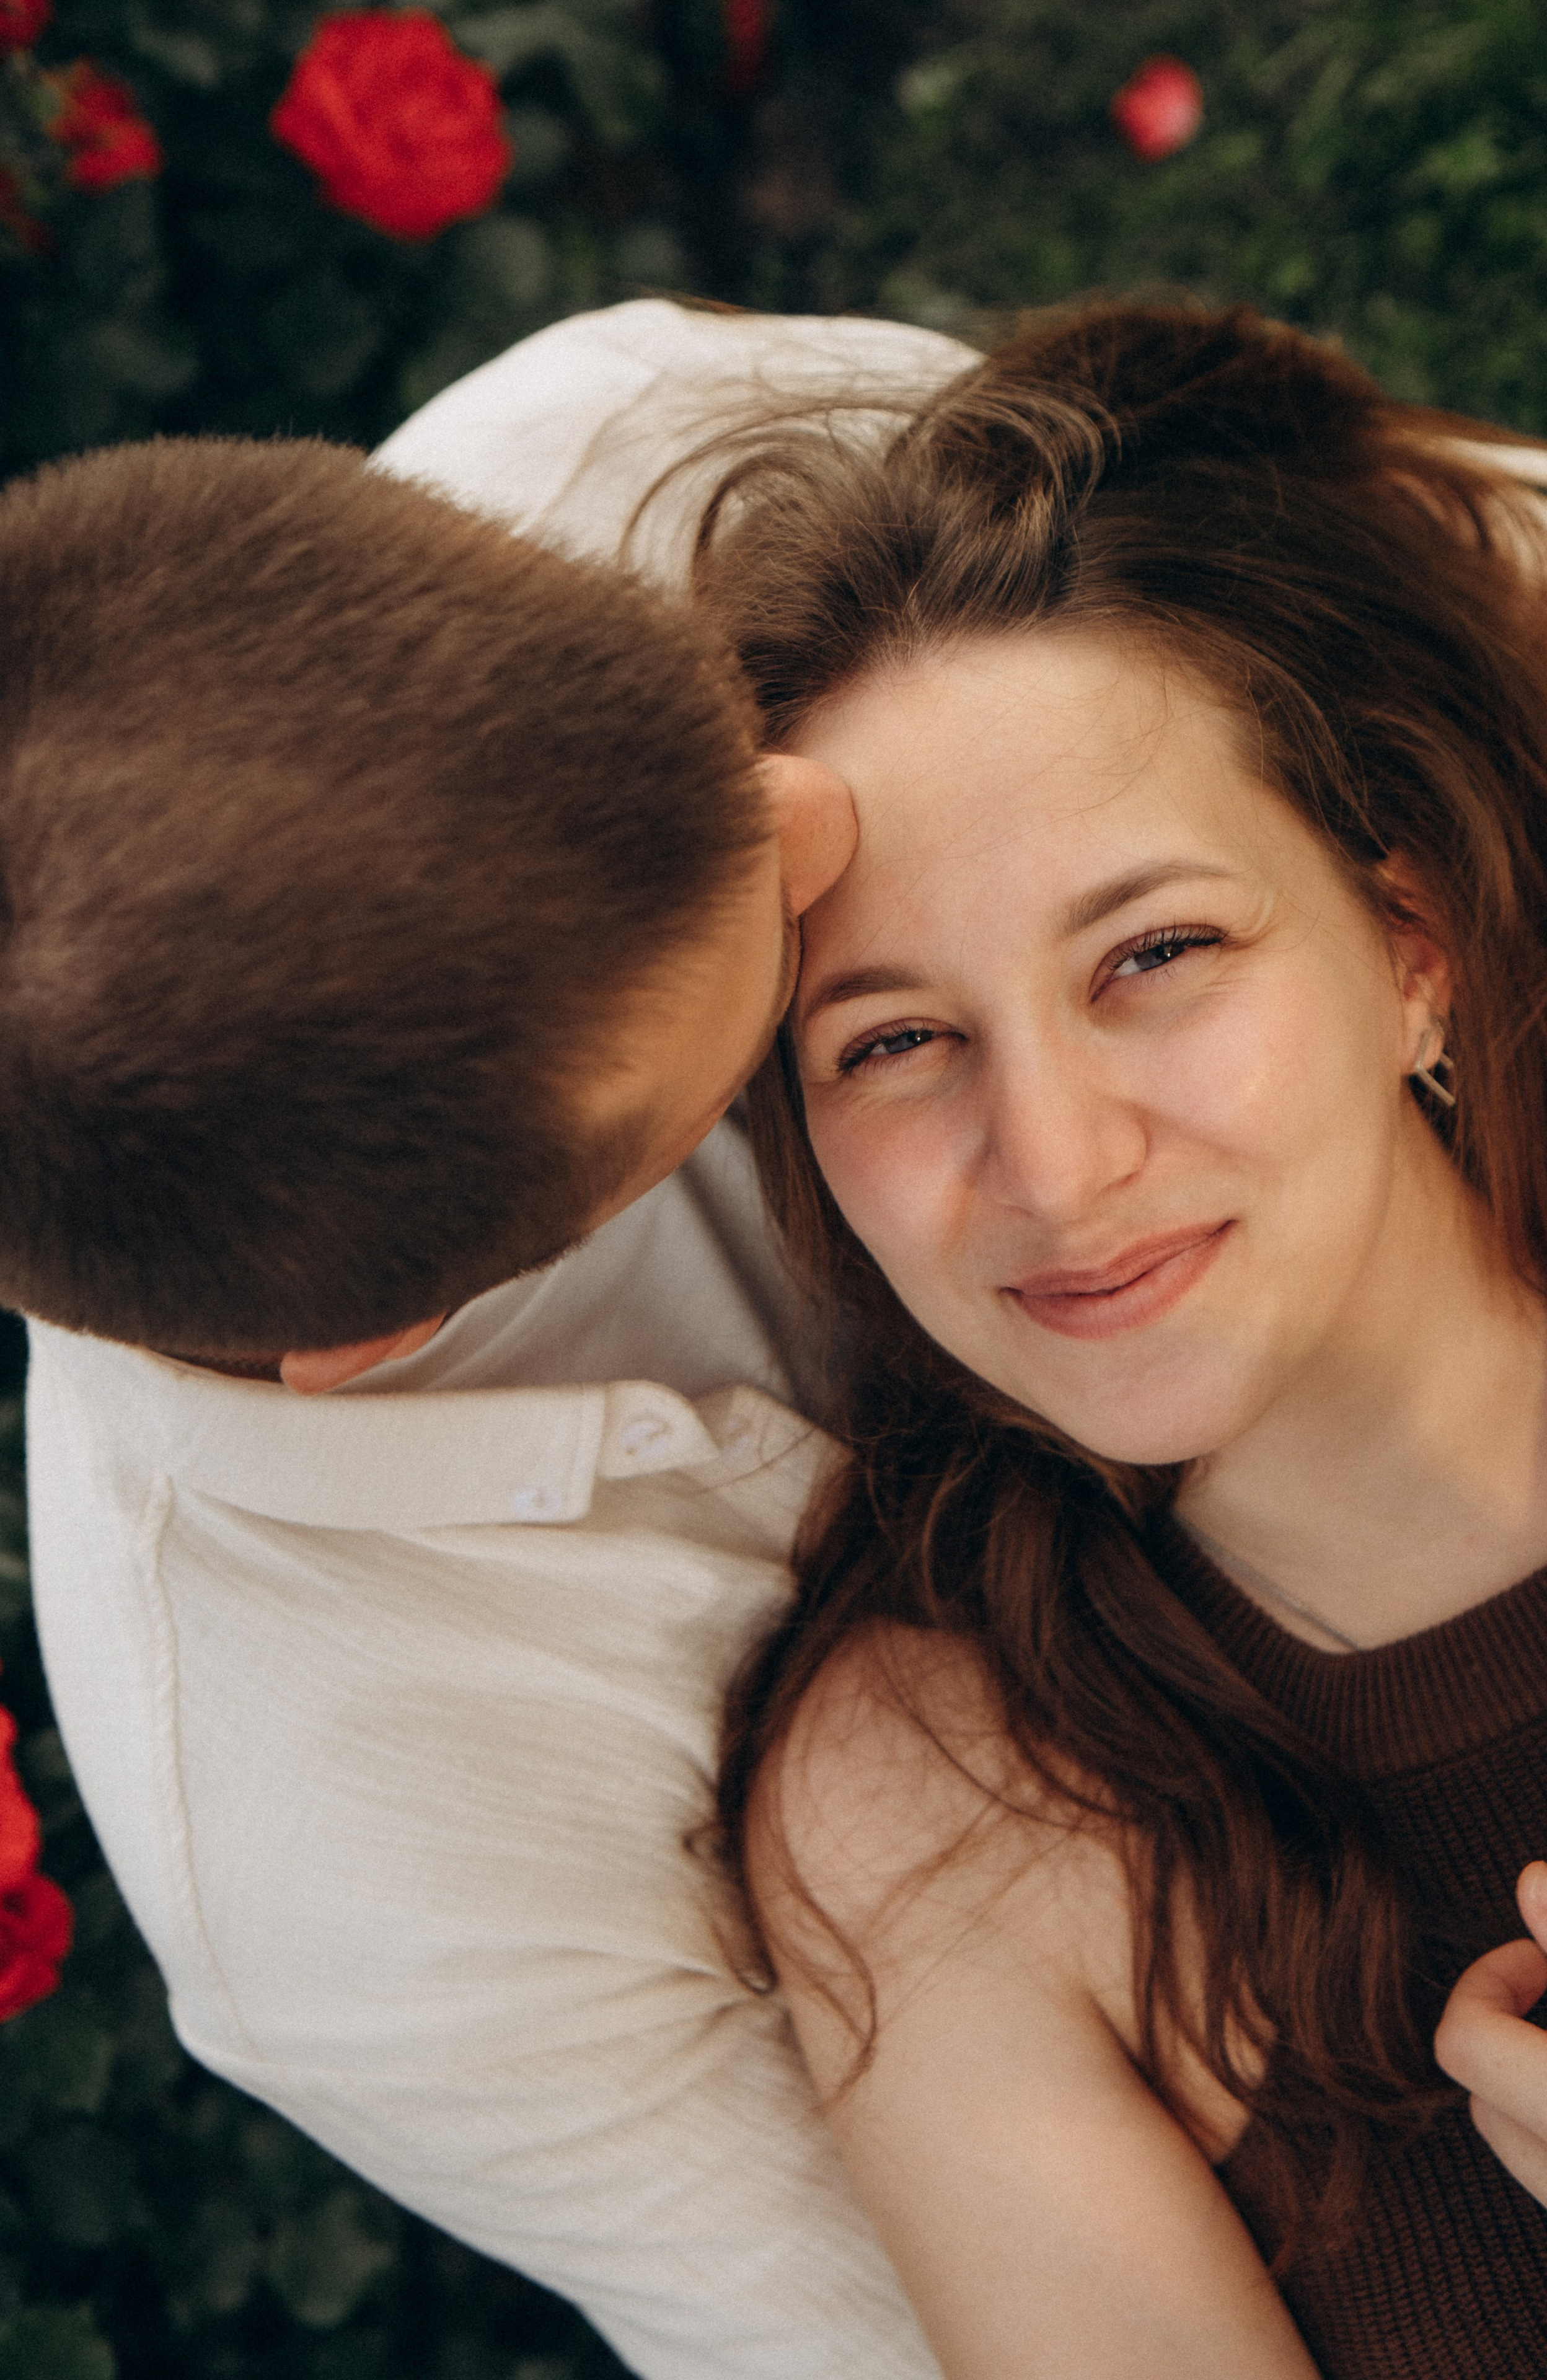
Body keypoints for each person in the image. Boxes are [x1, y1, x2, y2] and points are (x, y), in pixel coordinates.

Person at [14, 300, 973, 2380]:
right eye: (763, 982)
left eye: (724, 730)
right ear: (382, 1336)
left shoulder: (623, 433)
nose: (826, 814)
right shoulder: (368, 1893)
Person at [690, 301, 1547, 2377]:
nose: (1055, 1159)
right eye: (895, 1041)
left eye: (1157, 952)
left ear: (1409, 947)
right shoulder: (952, 1814)